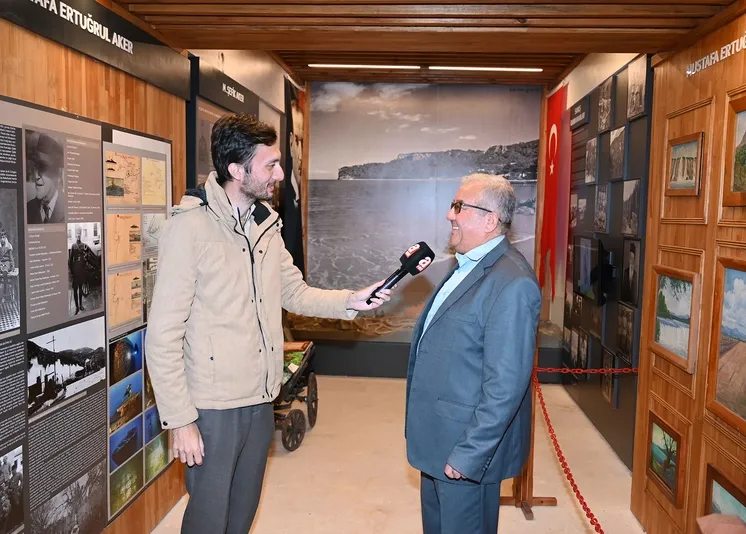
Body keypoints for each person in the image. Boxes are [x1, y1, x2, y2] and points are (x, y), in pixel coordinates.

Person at [145, 114, 392, 534]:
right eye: (271, 165)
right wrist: (181, 420)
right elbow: (162, 335)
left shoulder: (265, 224)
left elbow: (294, 292)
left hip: (260, 398)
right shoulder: (188, 229)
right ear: (237, 170)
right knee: (208, 520)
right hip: (211, 408)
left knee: (242, 515)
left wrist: (350, 300)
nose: (280, 174)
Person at [405, 173, 541, 534]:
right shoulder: (468, 264)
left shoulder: (513, 284)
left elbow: (506, 386)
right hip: (438, 441)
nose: (449, 214)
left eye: (459, 206)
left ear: (489, 220)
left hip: (464, 452)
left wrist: (469, 454)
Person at [25, 131, 65, 225]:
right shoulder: (28, 208)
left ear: (57, 173)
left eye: (43, 168)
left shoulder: (69, 208)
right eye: (35, 167)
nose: (36, 176)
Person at [68, 225, 92, 315]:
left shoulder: (83, 245)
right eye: (77, 233)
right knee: (75, 289)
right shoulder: (73, 246)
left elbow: (85, 258)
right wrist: (72, 272)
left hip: (81, 270)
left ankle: (81, 305)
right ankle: (77, 307)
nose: (78, 235)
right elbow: (70, 261)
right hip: (75, 270)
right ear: (75, 235)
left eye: (79, 234)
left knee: (81, 289)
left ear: (80, 235)